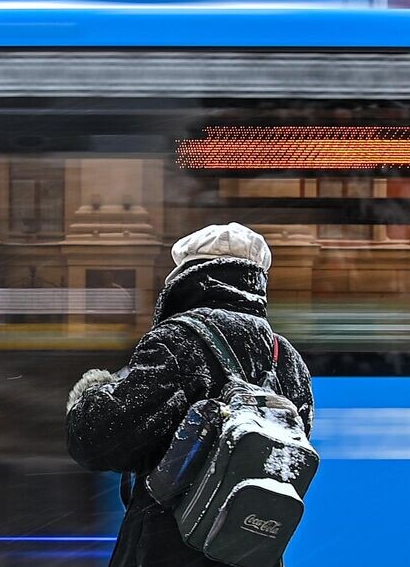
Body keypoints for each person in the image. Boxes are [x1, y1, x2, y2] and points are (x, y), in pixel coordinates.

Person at [66, 223, 314, 567]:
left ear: (187, 278)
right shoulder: (287, 360)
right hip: (248, 553)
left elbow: (98, 441)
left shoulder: (180, 341)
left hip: (170, 550)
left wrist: (92, 393)